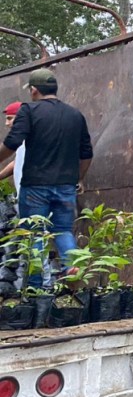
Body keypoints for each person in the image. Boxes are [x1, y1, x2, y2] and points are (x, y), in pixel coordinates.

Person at [0, 68, 92, 287]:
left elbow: (12, 143)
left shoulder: (29, 111)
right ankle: (72, 270)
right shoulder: (75, 115)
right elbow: (87, 153)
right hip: (66, 186)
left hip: (35, 186)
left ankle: (36, 286)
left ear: (34, 90)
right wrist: (79, 178)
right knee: (63, 230)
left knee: (34, 234)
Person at [0, 101, 25, 203]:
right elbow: (17, 162)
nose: (6, 123)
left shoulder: (34, 139)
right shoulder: (21, 141)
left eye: (10, 118)